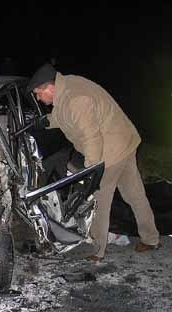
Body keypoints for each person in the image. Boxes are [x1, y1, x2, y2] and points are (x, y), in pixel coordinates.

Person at [27, 63, 161, 260]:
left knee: (98, 201)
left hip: (111, 152)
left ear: (49, 87)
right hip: (124, 142)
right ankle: (151, 239)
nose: (39, 98)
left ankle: (96, 251)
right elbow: (65, 116)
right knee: (135, 195)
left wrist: (91, 172)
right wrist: (46, 121)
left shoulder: (75, 99)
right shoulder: (67, 88)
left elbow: (92, 138)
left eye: (39, 93)